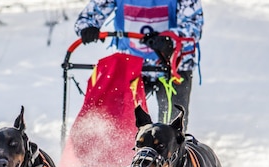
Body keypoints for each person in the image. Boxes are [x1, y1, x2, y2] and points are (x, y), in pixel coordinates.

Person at [74, 0, 203, 129]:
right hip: (131, 62)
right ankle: (115, 144)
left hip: (174, 64)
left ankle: (171, 146)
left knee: (173, 122)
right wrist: (87, 27)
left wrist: (171, 38)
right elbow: (90, 14)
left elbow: (193, 24)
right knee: (120, 117)